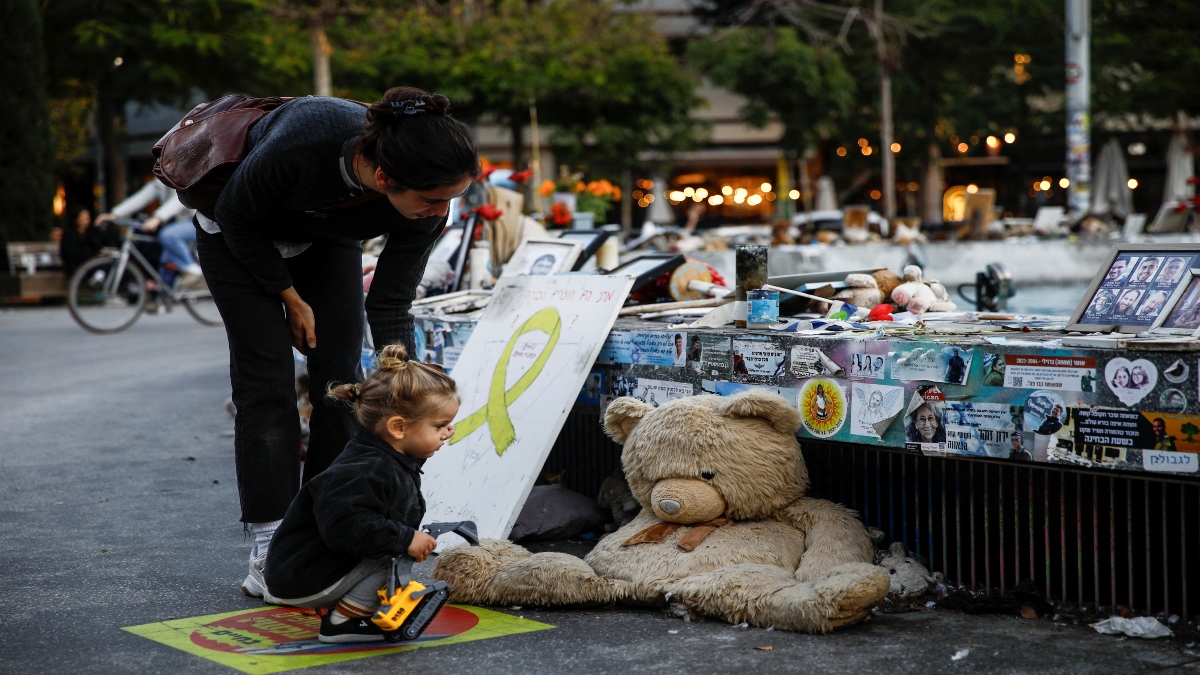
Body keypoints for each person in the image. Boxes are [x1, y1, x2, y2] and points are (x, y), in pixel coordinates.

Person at [194, 86, 479, 598]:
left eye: (452, 200)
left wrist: (405, 389)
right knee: (267, 385)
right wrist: (289, 296)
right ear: (385, 178)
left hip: (326, 235)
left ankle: (328, 521)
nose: (441, 211)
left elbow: (390, 301)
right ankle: (269, 543)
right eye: (433, 199)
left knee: (342, 380)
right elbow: (238, 216)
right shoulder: (306, 139)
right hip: (238, 231)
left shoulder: (428, 207)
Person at [263, 345, 457, 643]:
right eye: (440, 425)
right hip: (302, 575)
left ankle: (353, 608)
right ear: (397, 427)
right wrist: (406, 539)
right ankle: (344, 622)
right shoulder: (367, 470)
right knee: (393, 553)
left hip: (309, 567)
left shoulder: (383, 454)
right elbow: (346, 527)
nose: (450, 431)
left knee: (393, 547)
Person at [96, 177, 200, 287]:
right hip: (174, 225)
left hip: (195, 222)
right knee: (164, 260)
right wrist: (115, 214)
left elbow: (179, 200)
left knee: (168, 235)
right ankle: (164, 299)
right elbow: (141, 197)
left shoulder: (184, 175)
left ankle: (191, 268)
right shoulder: (162, 179)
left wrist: (158, 217)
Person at [58, 207, 112, 274]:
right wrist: (93, 254)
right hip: (76, 266)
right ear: (76, 219)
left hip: (91, 264)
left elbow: (104, 241)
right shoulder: (69, 235)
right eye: (83, 218)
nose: (86, 220)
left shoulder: (92, 232)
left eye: (87, 217)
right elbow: (70, 254)